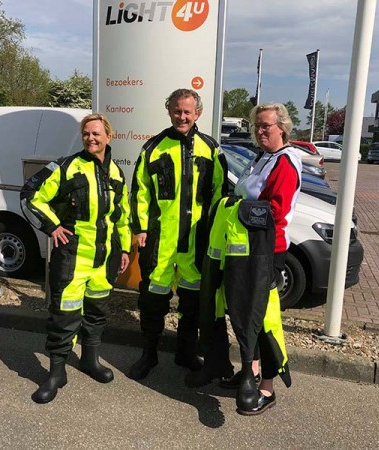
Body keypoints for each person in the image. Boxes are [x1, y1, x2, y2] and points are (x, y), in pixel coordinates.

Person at [188, 103, 301, 415]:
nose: (261, 131)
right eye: (258, 126)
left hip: (267, 252)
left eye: (266, 126)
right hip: (244, 250)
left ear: (282, 128)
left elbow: (274, 211)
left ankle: (267, 388)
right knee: (241, 312)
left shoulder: (286, 162)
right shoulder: (263, 157)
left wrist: (232, 206)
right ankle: (247, 373)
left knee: (261, 318)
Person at [20, 113, 132, 404]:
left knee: (97, 313)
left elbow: (121, 216)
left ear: (109, 136)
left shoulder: (117, 173)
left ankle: (89, 360)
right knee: (64, 315)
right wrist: (52, 226)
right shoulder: (67, 166)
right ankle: (56, 373)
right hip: (72, 257)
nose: (91, 138)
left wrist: (124, 250)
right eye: (86, 134)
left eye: (96, 134)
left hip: (104, 258)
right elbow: (31, 195)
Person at [128, 88, 228, 380]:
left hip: (196, 245)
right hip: (160, 243)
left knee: (193, 305)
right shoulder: (153, 148)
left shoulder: (211, 149)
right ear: (169, 110)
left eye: (187, 111)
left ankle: (185, 353)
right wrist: (140, 229)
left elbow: (221, 195)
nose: (181, 116)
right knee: (151, 304)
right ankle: (148, 355)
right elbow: (140, 192)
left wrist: (216, 235)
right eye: (176, 110)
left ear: (198, 113)